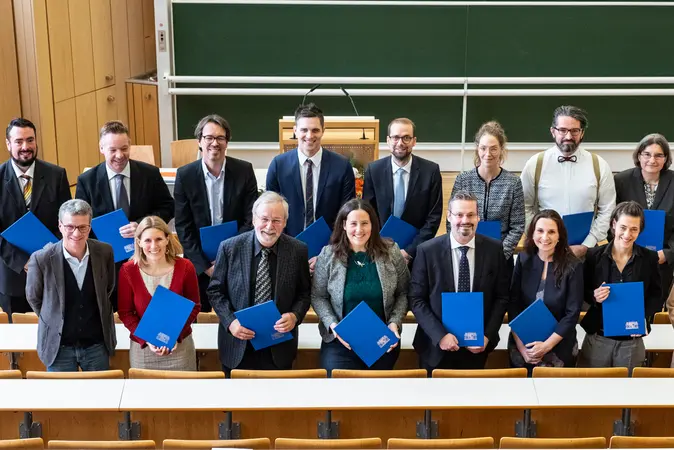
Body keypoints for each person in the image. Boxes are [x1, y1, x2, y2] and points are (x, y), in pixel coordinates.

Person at [207, 191, 311, 372]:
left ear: (285, 222)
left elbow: (304, 293)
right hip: (237, 343)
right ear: (254, 219)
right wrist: (231, 322)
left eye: (277, 220)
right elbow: (215, 291)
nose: (270, 226)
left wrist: (294, 316)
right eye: (264, 219)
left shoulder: (298, 250)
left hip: (279, 346)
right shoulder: (229, 247)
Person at [75, 120, 174, 309]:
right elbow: (81, 222)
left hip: (146, 259)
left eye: (124, 148)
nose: (120, 155)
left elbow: (168, 206)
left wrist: (143, 225)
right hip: (105, 264)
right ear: (101, 148)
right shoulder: (87, 181)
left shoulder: (149, 174)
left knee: (145, 311)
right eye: (113, 150)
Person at [409, 192, 509, 373]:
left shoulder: (494, 249)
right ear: (449, 216)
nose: (465, 220)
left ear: (478, 217)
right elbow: (416, 299)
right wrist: (440, 336)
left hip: (477, 347)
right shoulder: (426, 251)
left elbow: (501, 297)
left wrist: (486, 335)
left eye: (471, 215)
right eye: (459, 215)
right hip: (435, 347)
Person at [311, 199, 410, 374]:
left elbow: (404, 292)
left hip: (382, 339)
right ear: (343, 225)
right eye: (353, 223)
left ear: (373, 224)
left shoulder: (391, 251)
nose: (359, 230)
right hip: (340, 341)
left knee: (379, 396)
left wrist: (394, 323)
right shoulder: (328, 254)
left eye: (365, 223)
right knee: (341, 395)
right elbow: (318, 296)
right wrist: (333, 325)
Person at [174, 114, 258, 311]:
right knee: (200, 315)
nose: (215, 143)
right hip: (198, 263)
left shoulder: (244, 171)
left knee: (237, 312)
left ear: (227, 142)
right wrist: (205, 266)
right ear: (200, 142)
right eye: (209, 137)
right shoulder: (185, 175)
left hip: (237, 258)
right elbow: (183, 227)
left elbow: (250, 219)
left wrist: (228, 258)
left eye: (220, 138)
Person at [26, 199, 116, 371]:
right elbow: (34, 298)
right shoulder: (41, 258)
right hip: (58, 347)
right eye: (70, 227)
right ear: (60, 226)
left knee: (100, 397)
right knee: (61, 398)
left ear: (90, 227)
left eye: (83, 227)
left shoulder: (105, 252)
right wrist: (53, 315)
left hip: (96, 345)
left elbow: (108, 289)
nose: (76, 233)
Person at [266, 103, 355, 271]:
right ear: (295, 130)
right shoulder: (278, 165)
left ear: (323, 130)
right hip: (286, 251)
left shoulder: (342, 166)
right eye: (304, 130)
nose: (309, 135)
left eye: (315, 130)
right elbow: (271, 213)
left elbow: (347, 215)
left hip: (331, 253)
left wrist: (327, 252)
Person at [520, 105, 616, 258]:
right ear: (553, 131)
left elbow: (607, 210)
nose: (568, 136)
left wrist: (587, 245)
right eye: (562, 130)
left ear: (582, 133)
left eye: (574, 131)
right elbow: (524, 207)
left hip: (586, 253)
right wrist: (540, 238)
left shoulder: (599, 165)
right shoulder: (534, 165)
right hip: (544, 251)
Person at [0, 118, 71, 317]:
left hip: (50, 271)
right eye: (19, 141)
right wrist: (23, 261)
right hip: (12, 276)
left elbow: (66, 223)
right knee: (17, 342)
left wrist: (44, 258)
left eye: (30, 140)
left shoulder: (56, 175)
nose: (26, 147)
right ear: (8, 144)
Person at [579, 201, 661, 372]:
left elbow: (656, 294)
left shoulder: (649, 258)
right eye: (623, 227)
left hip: (632, 339)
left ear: (640, 230)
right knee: (593, 391)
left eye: (634, 229)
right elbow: (581, 290)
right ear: (614, 224)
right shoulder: (594, 256)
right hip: (599, 336)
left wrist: (644, 317)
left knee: (628, 393)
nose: (627, 234)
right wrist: (594, 295)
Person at [118, 216, 201, 370]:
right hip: (143, 350)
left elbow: (194, 306)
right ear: (139, 242)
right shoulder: (128, 271)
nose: (154, 245)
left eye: (159, 239)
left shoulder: (185, 267)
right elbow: (125, 313)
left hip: (179, 348)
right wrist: (148, 340)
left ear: (167, 239)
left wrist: (174, 336)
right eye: (148, 240)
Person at [508, 209, 583, 371]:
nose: (545, 237)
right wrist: (522, 348)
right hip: (523, 343)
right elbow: (514, 305)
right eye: (540, 231)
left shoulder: (573, 265)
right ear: (532, 233)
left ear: (559, 236)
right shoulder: (523, 259)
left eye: (551, 232)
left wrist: (546, 346)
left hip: (559, 346)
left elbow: (572, 313)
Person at [362, 118, 442, 265]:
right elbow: (368, 212)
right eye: (395, 137)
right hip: (380, 251)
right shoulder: (374, 171)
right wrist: (380, 246)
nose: (400, 143)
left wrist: (410, 251)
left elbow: (433, 218)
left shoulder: (430, 171)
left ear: (414, 141)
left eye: (406, 138)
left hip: (417, 253)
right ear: (388, 140)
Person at [451, 121, 525, 264]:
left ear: (501, 149)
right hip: (466, 255)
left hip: (501, 257)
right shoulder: (463, 180)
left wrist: (500, 254)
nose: (488, 154)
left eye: (493, 149)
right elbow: (452, 221)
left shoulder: (513, 183)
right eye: (483, 148)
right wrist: (463, 249)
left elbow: (518, 226)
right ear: (477, 149)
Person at [615, 134, 674, 309]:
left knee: (654, 307)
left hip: (663, 260)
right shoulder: (621, 181)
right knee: (628, 307)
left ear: (666, 159)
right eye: (647, 154)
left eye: (659, 155)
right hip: (627, 258)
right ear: (639, 155)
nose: (652, 160)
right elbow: (613, 220)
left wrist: (668, 253)